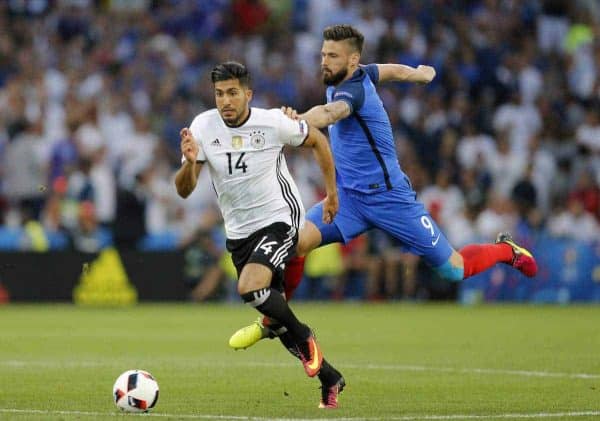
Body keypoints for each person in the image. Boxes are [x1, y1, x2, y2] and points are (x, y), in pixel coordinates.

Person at [230, 24, 538, 345]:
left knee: (454, 269)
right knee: (294, 245)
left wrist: (295, 122)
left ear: (352, 61)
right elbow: (387, 71)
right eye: (323, 54)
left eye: (332, 56)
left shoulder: (352, 91)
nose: (324, 61)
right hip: (349, 199)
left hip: (391, 199)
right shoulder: (355, 74)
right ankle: (274, 321)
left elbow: (329, 113)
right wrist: (416, 74)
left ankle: (505, 250)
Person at [174, 61, 345, 409]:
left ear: (248, 94)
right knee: (272, 311)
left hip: (280, 218)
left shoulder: (272, 122)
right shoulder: (203, 127)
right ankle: (330, 377)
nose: (226, 101)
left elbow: (319, 141)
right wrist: (191, 163)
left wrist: (331, 193)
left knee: (250, 287)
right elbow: (184, 190)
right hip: (239, 233)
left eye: (233, 93)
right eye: (220, 94)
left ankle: (306, 336)